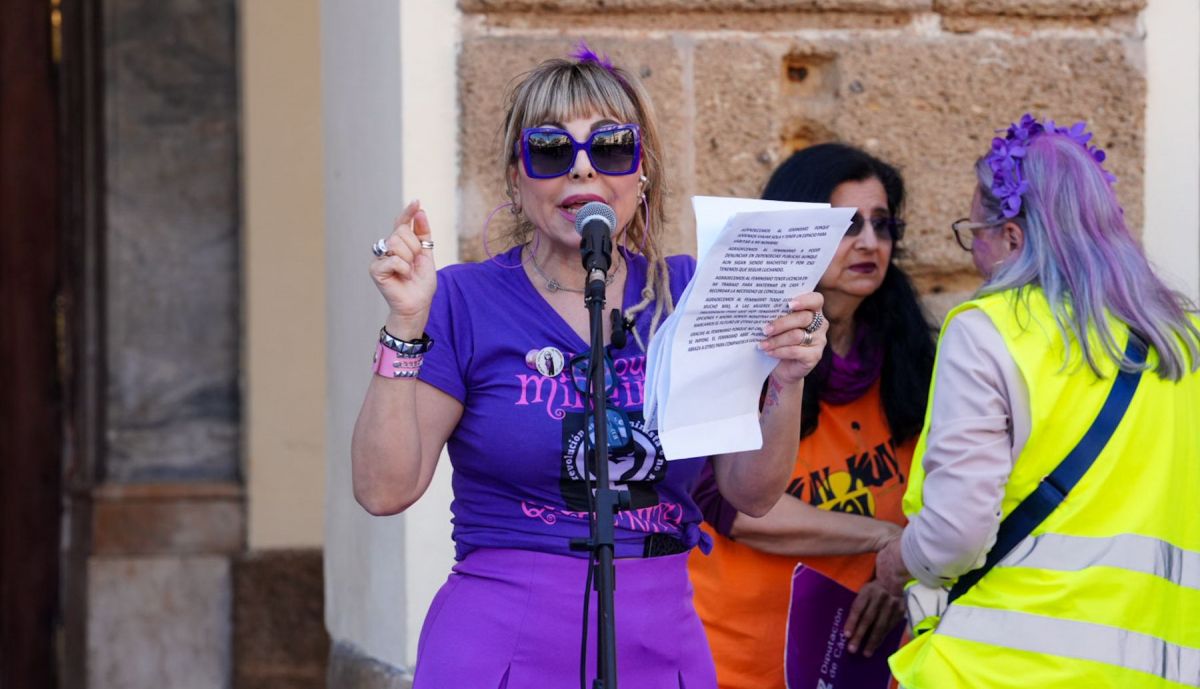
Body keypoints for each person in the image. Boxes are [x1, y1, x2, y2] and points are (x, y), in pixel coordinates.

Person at [350, 45, 831, 689]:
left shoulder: (691, 293)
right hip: (503, 635)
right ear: (517, 181)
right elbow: (385, 490)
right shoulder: (463, 299)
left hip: (660, 634)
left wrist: (786, 381)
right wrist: (405, 325)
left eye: (610, 149)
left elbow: (751, 492)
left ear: (643, 174)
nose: (582, 171)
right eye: (550, 151)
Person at [875, 114, 1200, 689]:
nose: (973, 252)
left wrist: (899, 559)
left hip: (999, 669)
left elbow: (955, 535)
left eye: (973, 232)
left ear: (1013, 238)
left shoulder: (990, 330)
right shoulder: (1184, 342)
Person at [688, 143, 937, 689]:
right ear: (796, 232)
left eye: (882, 224)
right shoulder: (738, 347)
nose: (870, 242)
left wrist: (903, 568)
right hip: (736, 659)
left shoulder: (915, 357)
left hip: (861, 662)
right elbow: (744, 512)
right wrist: (885, 541)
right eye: (847, 225)